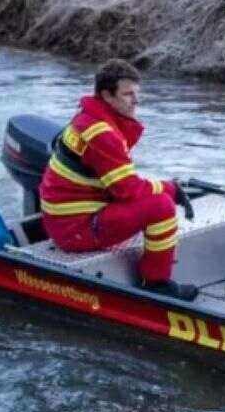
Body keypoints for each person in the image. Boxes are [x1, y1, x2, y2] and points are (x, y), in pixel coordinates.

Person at [38, 59, 198, 300]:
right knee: (162, 206)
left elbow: (119, 182)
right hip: (76, 229)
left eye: (137, 93)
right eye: (128, 94)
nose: (136, 101)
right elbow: (127, 189)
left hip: (65, 219)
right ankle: (155, 284)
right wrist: (170, 189)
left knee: (155, 196)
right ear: (107, 96)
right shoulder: (103, 134)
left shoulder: (87, 117)